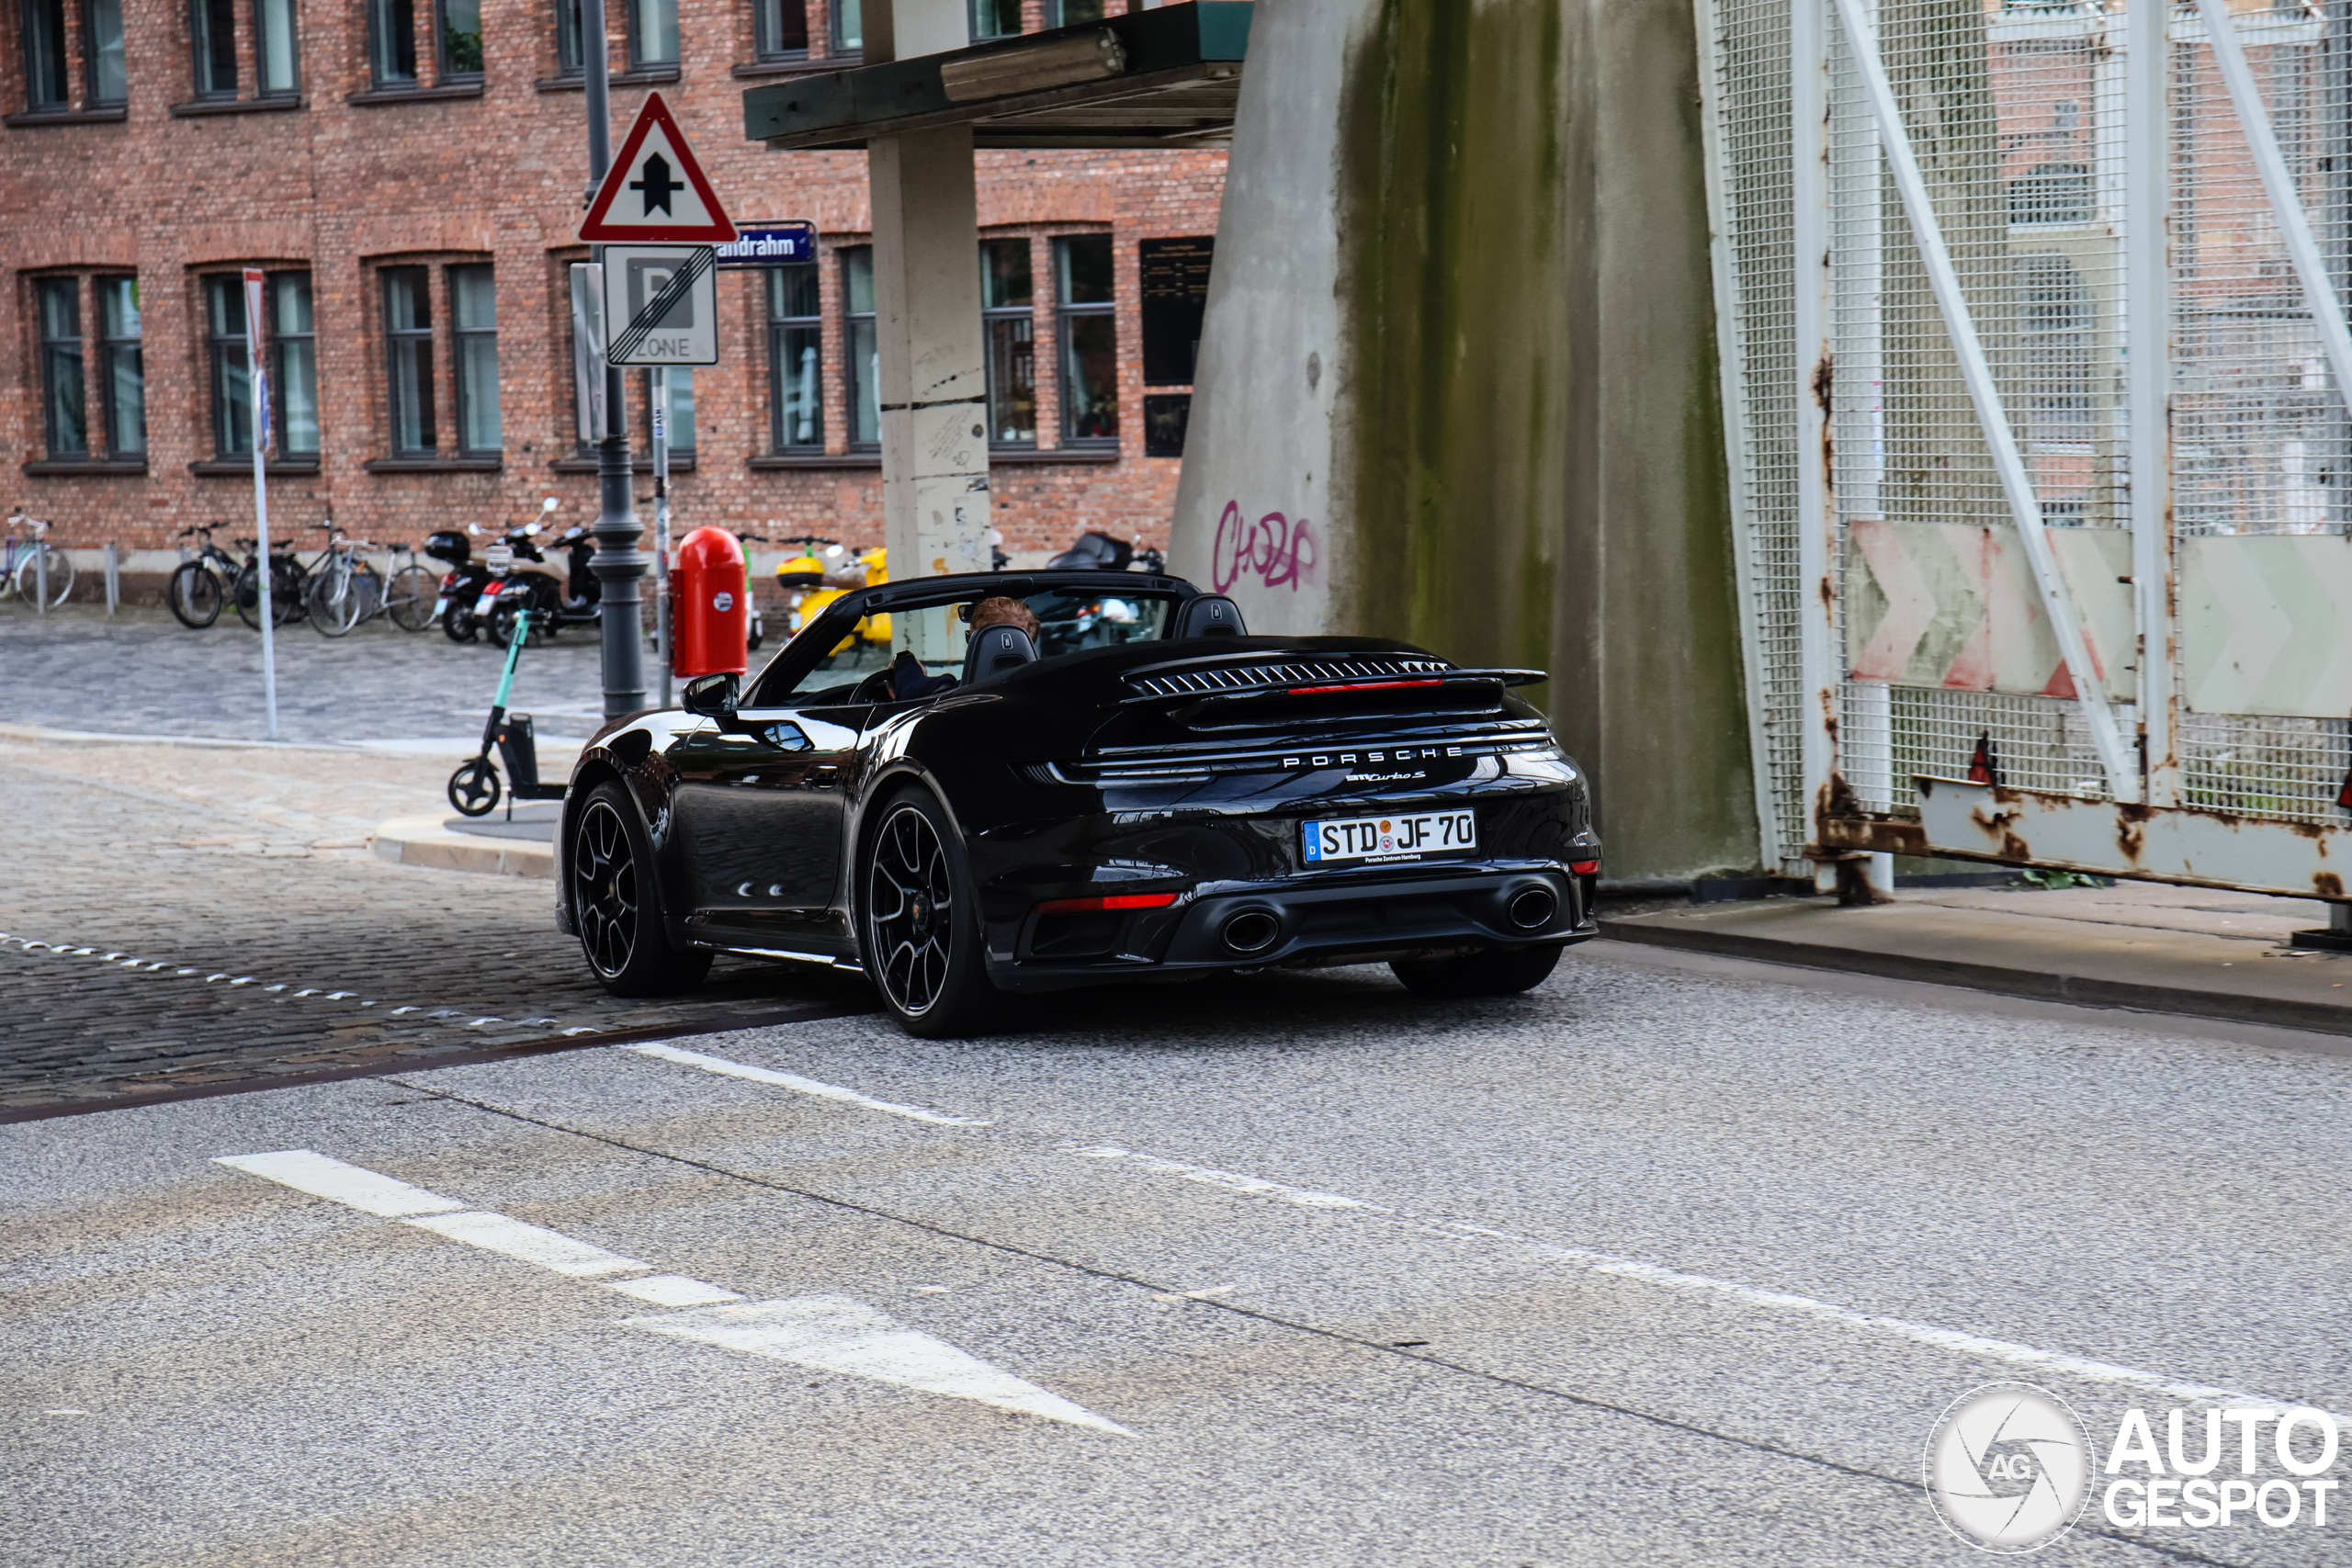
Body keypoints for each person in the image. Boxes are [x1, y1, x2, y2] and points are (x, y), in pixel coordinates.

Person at [880, 595, 1043, 700]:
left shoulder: (945, 695)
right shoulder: (1052, 695)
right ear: (1028, 644)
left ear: (971, 641)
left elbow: (909, 689)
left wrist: (904, 661)